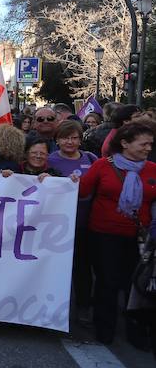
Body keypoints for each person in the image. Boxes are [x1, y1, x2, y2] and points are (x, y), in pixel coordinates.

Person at [79, 121, 156, 347]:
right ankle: (105, 329)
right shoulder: (103, 166)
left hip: (140, 239)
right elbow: (82, 191)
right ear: (124, 143)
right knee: (107, 282)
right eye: (143, 144)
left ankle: (136, 331)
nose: (147, 148)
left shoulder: (152, 169)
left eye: (150, 144)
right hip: (104, 235)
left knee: (135, 285)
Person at [48, 120, 99, 323]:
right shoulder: (50, 161)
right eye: (65, 137)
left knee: (82, 267)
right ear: (57, 140)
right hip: (56, 226)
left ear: (80, 139)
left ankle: (83, 306)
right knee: (54, 267)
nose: (70, 142)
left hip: (84, 223)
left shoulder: (91, 159)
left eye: (74, 137)